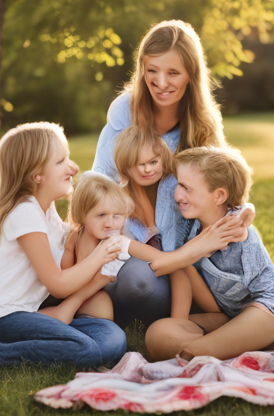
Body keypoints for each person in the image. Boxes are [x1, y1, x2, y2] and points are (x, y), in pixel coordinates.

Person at [0, 123, 126, 382]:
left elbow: (74, 240)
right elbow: (58, 285)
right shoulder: (24, 212)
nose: (73, 168)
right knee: (85, 349)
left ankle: (55, 345)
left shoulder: (46, 209)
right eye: (61, 161)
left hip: (27, 312)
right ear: (37, 175)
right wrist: (102, 254)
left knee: (114, 338)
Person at [91, 20, 231, 328]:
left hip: (184, 245)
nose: (161, 82)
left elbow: (226, 188)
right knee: (136, 284)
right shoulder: (124, 112)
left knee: (157, 284)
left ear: (191, 75)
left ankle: (165, 308)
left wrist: (238, 218)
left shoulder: (202, 125)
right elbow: (100, 180)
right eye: (152, 70)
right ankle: (116, 299)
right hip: (131, 235)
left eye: (173, 73)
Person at [144, 146, 274, 361]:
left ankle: (191, 354)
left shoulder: (235, 227)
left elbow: (242, 211)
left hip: (271, 317)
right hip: (228, 320)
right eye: (178, 184)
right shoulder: (191, 228)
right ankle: (216, 350)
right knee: (158, 334)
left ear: (219, 196)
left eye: (186, 187)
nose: (177, 194)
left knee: (259, 316)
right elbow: (176, 265)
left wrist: (247, 210)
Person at [114, 125, 223, 320]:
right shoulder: (122, 198)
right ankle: (178, 322)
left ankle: (196, 318)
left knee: (183, 269)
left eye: (153, 161)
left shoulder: (174, 184)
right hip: (151, 261)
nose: (148, 169)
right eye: (139, 164)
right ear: (126, 167)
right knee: (176, 269)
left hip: (185, 255)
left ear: (163, 157)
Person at [39, 171, 135, 324]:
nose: (109, 223)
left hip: (83, 292)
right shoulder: (82, 237)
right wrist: (101, 279)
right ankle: (55, 318)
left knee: (103, 312)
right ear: (84, 215)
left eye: (116, 215)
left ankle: (76, 322)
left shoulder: (108, 237)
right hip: (62, 291)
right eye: (101, 215)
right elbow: (74, 278)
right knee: (97, 311)